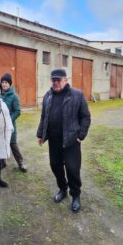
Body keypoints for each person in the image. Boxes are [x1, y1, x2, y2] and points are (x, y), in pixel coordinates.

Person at [36, 68, 91, 213]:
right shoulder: (48, 96)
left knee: (73, 169)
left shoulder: (77, 95)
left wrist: (81, 135)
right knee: (55, 166)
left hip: (71, 140)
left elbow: (85, 117)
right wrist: (40, 133)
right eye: (53, 80)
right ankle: (63, 188)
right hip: (54, 140)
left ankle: (76, 196)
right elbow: (44, 117)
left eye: (58, 80)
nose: (55, 83)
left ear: (66, 80)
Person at [0, 73, 27, 172]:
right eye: (2, 82)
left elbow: (17, 111)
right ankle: (2, 162)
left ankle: (21, 163)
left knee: (13, 144)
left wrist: (8, 121)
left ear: (10, 84)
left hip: (10, 125)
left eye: (6, 82)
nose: (4, 84)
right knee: (1, 143)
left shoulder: (14, 96)